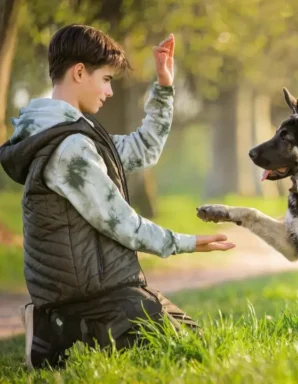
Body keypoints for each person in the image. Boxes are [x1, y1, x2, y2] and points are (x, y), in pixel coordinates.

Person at [0, 24, 235, 369]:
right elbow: (122, 223)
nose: (110, 91)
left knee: (193, 343)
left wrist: (164, 87)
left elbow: (141, 151)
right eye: (107, 79)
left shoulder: (75, 133)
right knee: (187, 353)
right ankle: (54, 334)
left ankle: (58, 329)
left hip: (101, 288)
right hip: (88, 298)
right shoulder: (69, 148)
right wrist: (189, 242)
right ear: (79, 72)